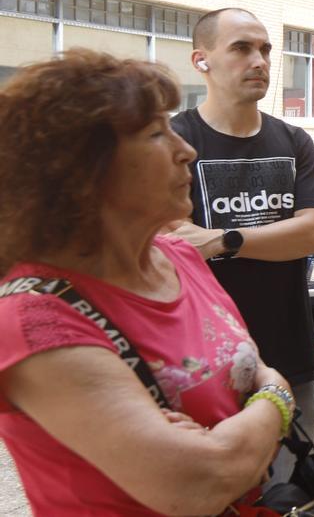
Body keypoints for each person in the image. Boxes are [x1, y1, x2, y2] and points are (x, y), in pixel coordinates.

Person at [0, 50, 292, 515]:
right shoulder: (32, 319)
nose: (187, 151)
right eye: (157, 133)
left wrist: (244, 423)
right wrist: (277, 397)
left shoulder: (180, 257)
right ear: (81, 169)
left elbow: (245, 379)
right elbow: (198, 482)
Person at [169, 8, 314, 487]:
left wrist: (222, 239)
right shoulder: (176, 142)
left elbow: (313, 233)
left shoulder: (293, 140)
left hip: (289, 350)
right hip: (202, 361)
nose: (259, 60)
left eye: (264, 49)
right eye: (241, 48)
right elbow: (175, 246)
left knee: (291, 490)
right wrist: (274, 238)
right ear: (202, 60)